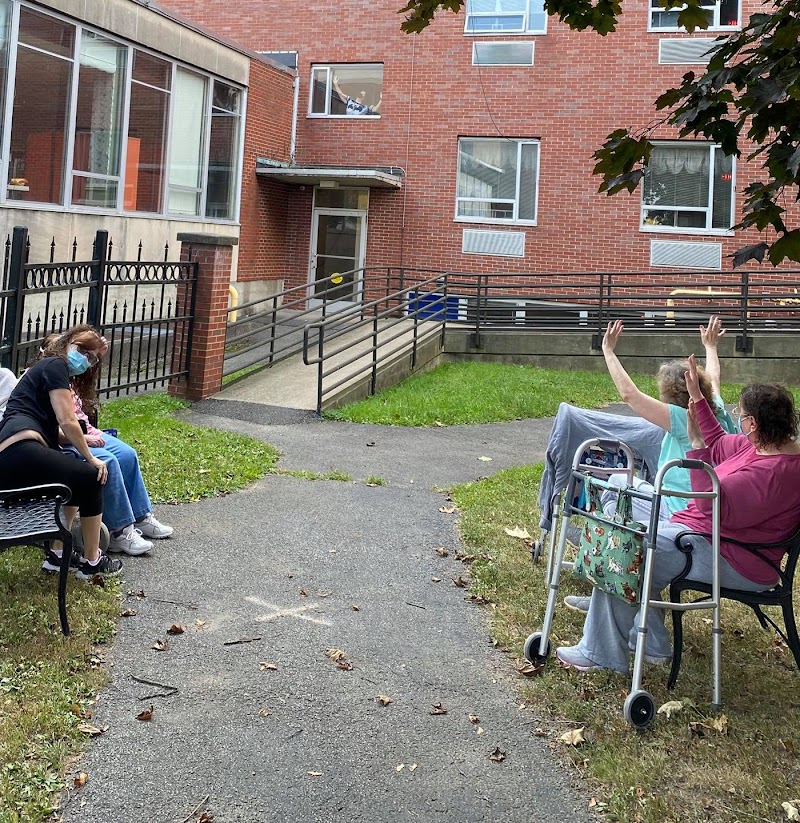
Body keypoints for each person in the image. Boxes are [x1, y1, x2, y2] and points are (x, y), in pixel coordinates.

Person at [556, 357, 800, 672]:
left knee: (628, 543)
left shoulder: (776, 472)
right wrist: (697, 397)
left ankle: (601, 652)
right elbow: (719, 441)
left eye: (740, 415)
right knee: (620, 488)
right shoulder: (761, 445)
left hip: (732, 556)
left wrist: (696, 447)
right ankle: (651, 641)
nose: (736, 420)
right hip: (700, 531)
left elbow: (709, 506)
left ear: (753, 423)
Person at [562, 316, 737, 613]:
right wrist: (710, 347)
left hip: (676, 511)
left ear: (671, 396)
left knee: (618, 484)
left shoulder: (683, 419)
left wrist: (608, 351)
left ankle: (600, 549)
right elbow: (715, 378)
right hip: (706, 515)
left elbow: (630, 395)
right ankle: (604, 555)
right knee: (625, 496)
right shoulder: (716, 411)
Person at [0, 326, 121, 579]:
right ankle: (93, 561)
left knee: (75, 480)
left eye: (92, 358)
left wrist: (84, 441)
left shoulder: (45, 371)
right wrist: (91, 458)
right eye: (82, 350)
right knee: (91, 475)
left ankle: (57, 556)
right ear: (66, 343)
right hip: (20, 450)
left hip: (15, 455)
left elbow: (54, 430)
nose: (86, 359)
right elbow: (67, 420)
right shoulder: (55, 365)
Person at [37, 332, 173, 556]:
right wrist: (85, 442)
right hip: (65, 440)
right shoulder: (44, 376)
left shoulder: (67, 375)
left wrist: (97, 355)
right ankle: (120, 530)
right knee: (107, 462)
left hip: (87, 432)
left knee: (127, 454)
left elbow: (86, 385)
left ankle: (141, 516)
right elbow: (51, 424)